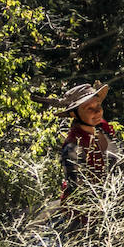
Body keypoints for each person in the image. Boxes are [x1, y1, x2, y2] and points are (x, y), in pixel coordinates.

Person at [45, 81, 118, 227]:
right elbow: (77, 188)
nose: (97, 112)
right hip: (84, 214)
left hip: (110, 202)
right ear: (74, 113)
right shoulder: (73, 145)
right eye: (89, 108)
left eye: (98, 106)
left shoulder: (102, 130)